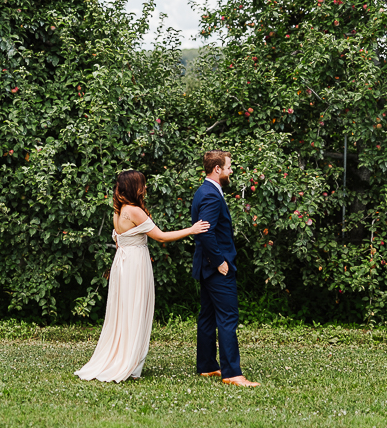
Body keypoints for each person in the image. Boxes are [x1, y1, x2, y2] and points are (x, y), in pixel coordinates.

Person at [75, 170, 209, 382]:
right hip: (135, 264)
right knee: (136, 310)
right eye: (142, 185)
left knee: (124, 312)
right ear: (134, 188)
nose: (145, 188)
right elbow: (161, 237)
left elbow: (120, 241)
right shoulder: (134, 211)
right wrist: (191, 230)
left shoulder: (118, 211)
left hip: (122, 263)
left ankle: (124, 357)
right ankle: (129, 362)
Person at [191, 150, 260, 387]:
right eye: (229, 167)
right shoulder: (210, 195)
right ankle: (232, 373)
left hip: (206, 265)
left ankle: (208, 366)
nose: (231, 171)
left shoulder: (204, 190)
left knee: (208, 317)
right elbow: (206, 231)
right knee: (228, 318)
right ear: (217, 169)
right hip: (216, 267)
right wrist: (220, 261)